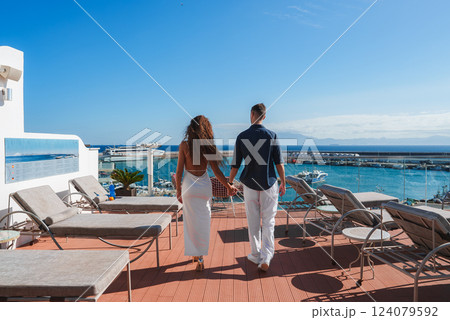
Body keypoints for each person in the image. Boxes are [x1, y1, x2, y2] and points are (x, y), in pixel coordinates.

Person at [228, 103, 285, 272]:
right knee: (269, 221)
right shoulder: (272, 135)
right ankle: (266, 256)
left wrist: (230, 183)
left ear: (251, 114)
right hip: (269, 184)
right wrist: (283, 182)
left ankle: (255, 254)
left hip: (250, 185)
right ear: (264, 116)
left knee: (253, 221)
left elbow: (235, 165)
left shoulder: (242, 136)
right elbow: (279, 163)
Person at [176, 115, 237, 271]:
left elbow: (179, 171)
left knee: (190, 222)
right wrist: (229, 186)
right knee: (203, 222)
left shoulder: (183, 145)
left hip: (189, 186)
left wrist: (178, 191)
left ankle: (194, 254)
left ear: (190, 128)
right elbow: (216, 172)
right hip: (204, 186)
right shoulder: (208, 146)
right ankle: (201, 257)